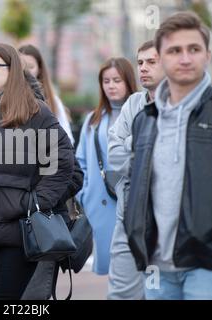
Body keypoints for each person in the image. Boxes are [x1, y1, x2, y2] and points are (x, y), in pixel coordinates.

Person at [0, 42, 77, 300]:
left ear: (12, 70)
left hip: (19, 231)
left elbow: (63, 164)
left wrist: (35, 203)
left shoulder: (35, 112)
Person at [125, 11, 212, 300]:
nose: (185, 58)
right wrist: (135, 231)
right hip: (157, 266)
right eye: (174, 50)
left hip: (211, 264)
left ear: (207, 55)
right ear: (160, 56)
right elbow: (136, 185)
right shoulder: (145, 119)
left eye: (193, 49)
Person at [107, 40, 165, 299]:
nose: (143, 68)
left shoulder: (181, 105)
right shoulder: (133, 104)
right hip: (130, 213)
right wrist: (143, 149)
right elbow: (114, 154)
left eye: (151, 62)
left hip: (168, 216)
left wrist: (134, 143)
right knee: (121, 292)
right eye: (140, 62)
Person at [76, 57, 136, 275]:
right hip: (100, 202)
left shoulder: (141, 113)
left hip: (132, 200)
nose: (111, 86)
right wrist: (84, 195)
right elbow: (80, 160)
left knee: (137, 267)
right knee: (112, 270)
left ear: (129, 82)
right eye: (106, 81)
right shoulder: (93, 119)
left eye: (117, 80)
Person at [19, 44, 75, 145]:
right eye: (21, 67)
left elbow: (67, 139)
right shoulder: (6, 99)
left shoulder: (52, 100)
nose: (25, 72)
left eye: (31, 67)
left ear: (39, 69)